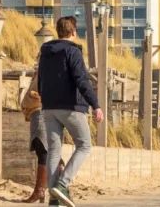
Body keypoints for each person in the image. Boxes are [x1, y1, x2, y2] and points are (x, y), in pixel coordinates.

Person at [39, 16, 104, 207]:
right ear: (73, 32)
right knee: (84, 145)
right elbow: (81, 80)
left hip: (49, 107)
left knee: (53, 151)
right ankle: (63, 184)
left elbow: (40, 78)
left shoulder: (45, 51)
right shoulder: (72, 51)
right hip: (71, 107)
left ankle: (53, 198)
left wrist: (45, 99)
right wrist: (96, 105)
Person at [20, 51, 65, 203]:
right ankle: (54, 186)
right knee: (46, 150)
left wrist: (33, 97)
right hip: (39, 114)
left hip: (41, 113)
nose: (37, 59)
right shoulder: (45, 72)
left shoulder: (49, 72)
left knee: (43, 150)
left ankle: (41, 190)